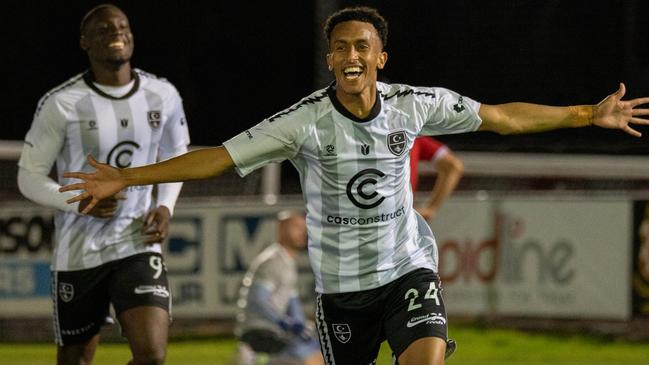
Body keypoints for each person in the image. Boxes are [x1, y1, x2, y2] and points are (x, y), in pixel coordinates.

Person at [59, 6, 649, 365]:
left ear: (380, 58)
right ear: (330, 59)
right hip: (342, 286)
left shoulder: (414, 107)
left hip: (407, 269)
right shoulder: (304, 121)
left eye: (360, 46)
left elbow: (500, 116)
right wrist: (126, 177)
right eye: (339, 47)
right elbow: (216, 158)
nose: (349, 55)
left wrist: (584, 115)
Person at [17, 4, 190, 365]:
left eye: (123, 27)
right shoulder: (61, 103)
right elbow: (28, 176)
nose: (116, 34)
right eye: (104, 30)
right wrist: (76, 202)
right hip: (79, 251)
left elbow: (178, 152)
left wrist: (165, 205)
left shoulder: (163, 94)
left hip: (137, 242)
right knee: (75, 358)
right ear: (85, 42)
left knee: (152, 355)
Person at [235, 211, 324, 365]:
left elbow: (293, 305)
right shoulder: (273, 261)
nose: (302, 232)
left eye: (304, 228)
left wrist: (304, 327)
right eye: (296, 227)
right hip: (261, 330)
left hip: (277, 330)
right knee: (314, 359)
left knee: (321, 349)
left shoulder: (287, 262)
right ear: (282, 230)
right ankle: (253, 357)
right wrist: (285, 322)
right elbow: (258, 300)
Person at [410, 137, 464, 221]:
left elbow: (453, 167)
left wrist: (431, 209)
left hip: (396, 220)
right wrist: (431, 209)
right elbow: (453, 166)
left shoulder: (413, 138)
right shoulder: (411, 137)